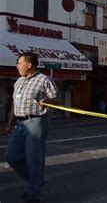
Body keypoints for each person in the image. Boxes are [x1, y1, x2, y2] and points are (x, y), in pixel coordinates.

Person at [5, 52, 60, 203]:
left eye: (19, 63)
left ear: (29, 65)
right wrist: (10, 124)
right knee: (11, 156)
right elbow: (14, 105)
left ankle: (33, 195)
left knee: (33, 159)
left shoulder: (44, 80)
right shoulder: (19, 82)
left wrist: (48, 100)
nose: (17, 66)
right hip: (19, 123)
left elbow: (57, 99)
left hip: (36, 122)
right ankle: (35, 181)